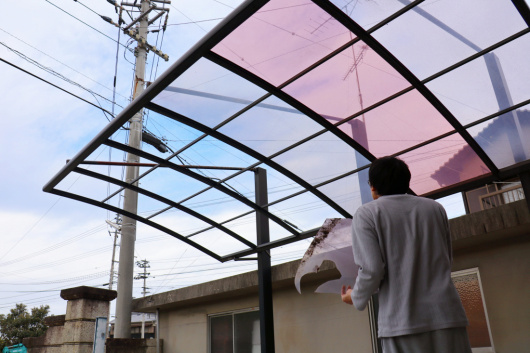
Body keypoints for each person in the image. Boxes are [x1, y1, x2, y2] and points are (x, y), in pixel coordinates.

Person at [341, 156, 471, 353]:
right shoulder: (434, 208)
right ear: (406, 181)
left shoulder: (367, 214)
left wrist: (354, 296)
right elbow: (446, 260)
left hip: (401, 323)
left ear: (373, 186)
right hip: (447, 316)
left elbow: (372, 269)